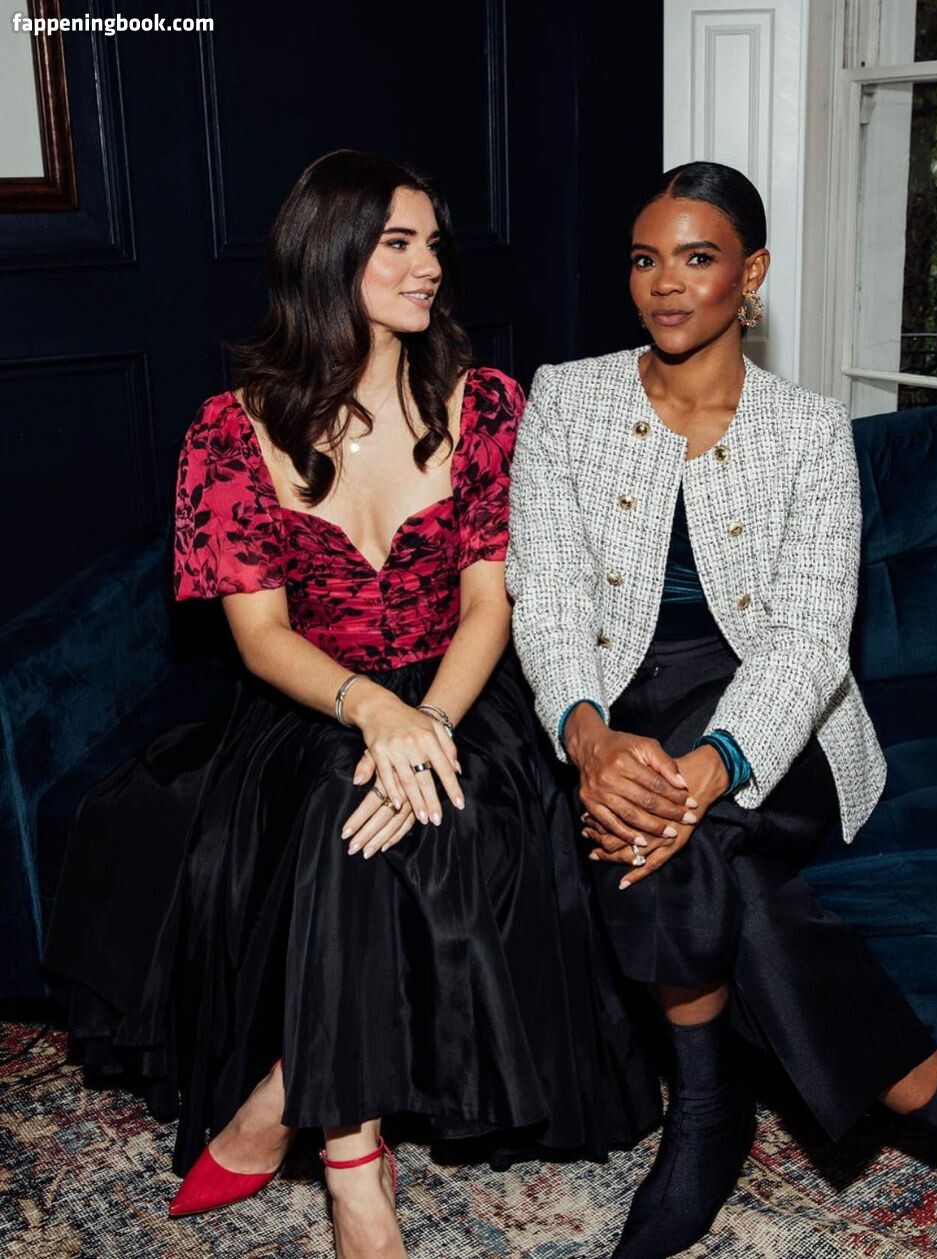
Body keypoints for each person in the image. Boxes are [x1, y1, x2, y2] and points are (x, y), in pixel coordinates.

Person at [43, 150, 657, 1259]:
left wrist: (430, 723)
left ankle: (288, 1098)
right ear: (329, 255)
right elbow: (260, 637)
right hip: (312, 696)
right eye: (399, 244)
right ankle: (354, 1164)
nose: (431, 267)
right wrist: (374, 711)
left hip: (463, 686)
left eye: (434, 244)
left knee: (403, 809)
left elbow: (490, 606)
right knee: (345, 801)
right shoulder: (229, 430)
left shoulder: (485, 403)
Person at [506, 159, 937, 1259]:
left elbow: (812, 638)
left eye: (698, 257)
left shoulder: (809, 430)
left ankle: (708, 1111)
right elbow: (551, 589)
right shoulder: (567, 398)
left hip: (777, 718)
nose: (665, 283)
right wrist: (588, 735)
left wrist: (711, 766)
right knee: (717, 874)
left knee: (670, 832)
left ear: (752, 273)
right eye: (645, 259)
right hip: (619, 704)